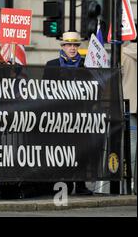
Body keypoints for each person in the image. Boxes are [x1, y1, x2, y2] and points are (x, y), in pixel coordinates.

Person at [45, 31, 93, 196]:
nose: (72, 48)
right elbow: (45, 91)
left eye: (75, 45)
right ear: (63, 46)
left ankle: (80, 184)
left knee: (80, 150)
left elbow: (93, 89)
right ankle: (62, 183)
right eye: (69, 45)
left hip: (79, 115)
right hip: (59, 116)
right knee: (60, 151)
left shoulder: (85, 65)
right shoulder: (51, 65)